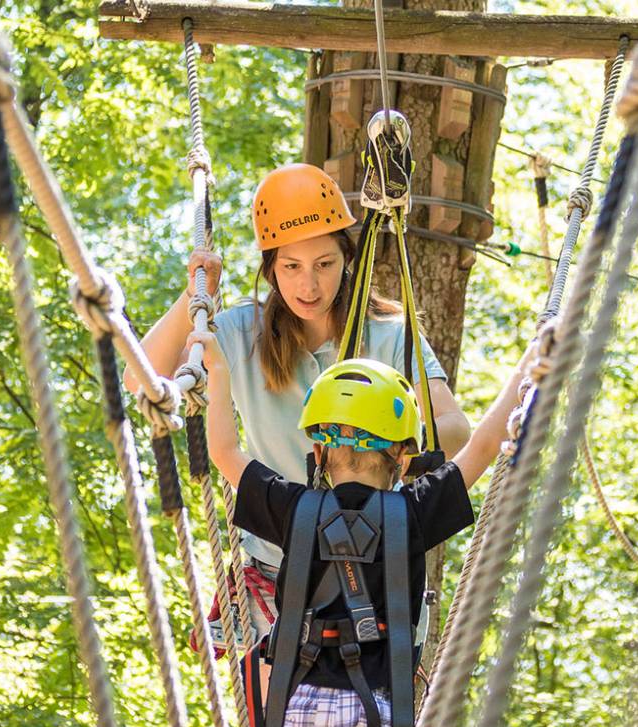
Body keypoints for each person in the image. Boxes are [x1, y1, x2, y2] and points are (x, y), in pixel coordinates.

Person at [124, 164, 487, 638]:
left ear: (346, 257)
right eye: (291, 267)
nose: (308, 286)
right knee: (272, 715)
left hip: (374, 568)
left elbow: (454, 429)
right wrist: (197, 294)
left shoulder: (391, 335)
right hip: (273, 572)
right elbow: (141, 378)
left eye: (324, 264)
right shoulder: (241, 333)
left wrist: (384, 439)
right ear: (270, 268)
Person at [190, 333, 532, 727]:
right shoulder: (414, 512)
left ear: (317, 453)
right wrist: (531, 361)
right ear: (403, 458)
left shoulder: (291, 508)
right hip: (373, 714)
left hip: (294, 709)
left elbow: (224, 451)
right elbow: (484, 443)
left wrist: (217, 371)